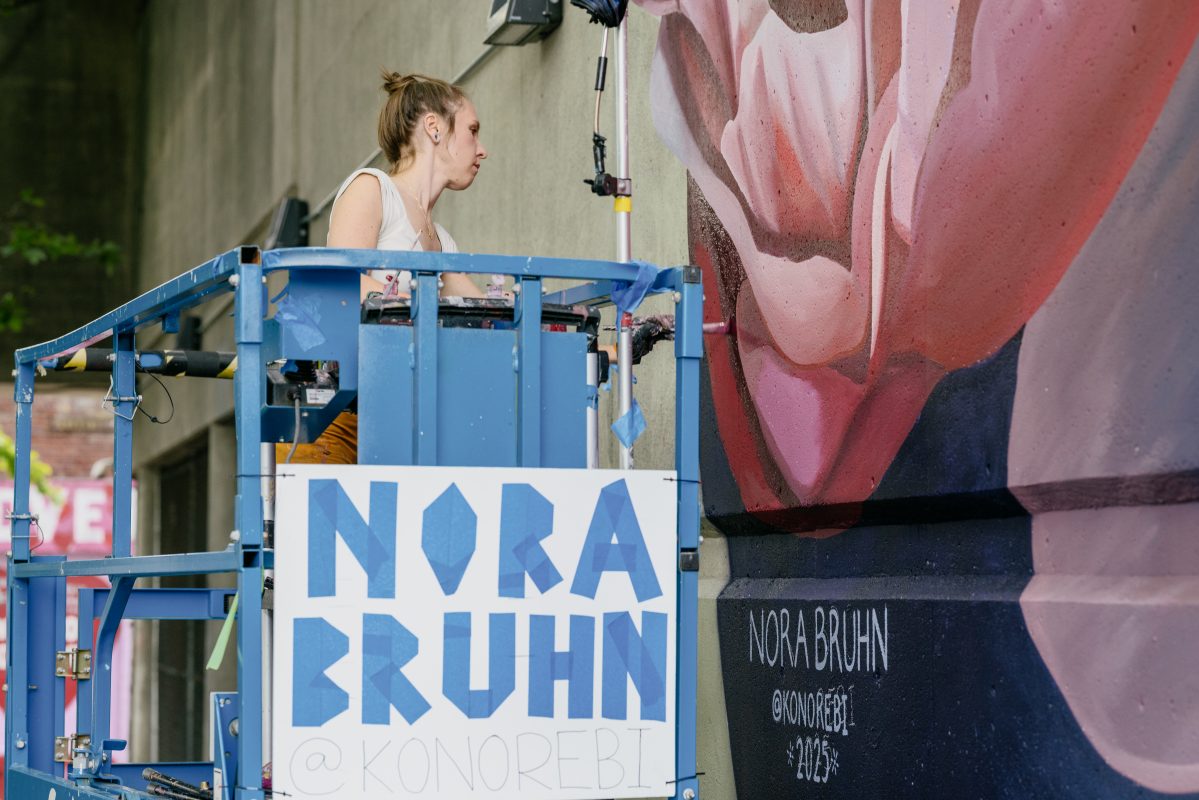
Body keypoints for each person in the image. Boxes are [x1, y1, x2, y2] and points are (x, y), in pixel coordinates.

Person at [280, 71, 487, 464]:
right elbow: (342, 287)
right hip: (335, 422)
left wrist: (595, 345)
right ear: (434, 128)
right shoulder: (372, 188)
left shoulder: (441, 241)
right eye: (472, 131)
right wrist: (420, 312)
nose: (481, 149)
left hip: (396, 423)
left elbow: (493, 313)